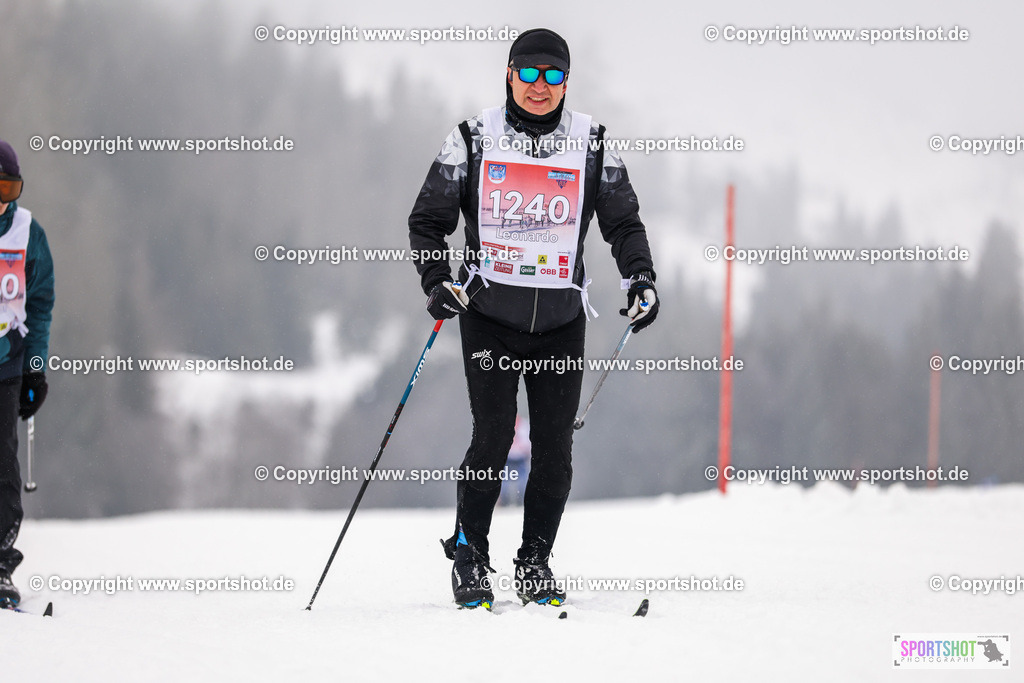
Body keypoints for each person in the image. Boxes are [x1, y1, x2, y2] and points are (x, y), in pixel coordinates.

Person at [408, 28, 658, 609]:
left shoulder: (592, 143)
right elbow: (427, 221)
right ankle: (470, 556)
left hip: (561, 322)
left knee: (553, 449)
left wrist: (639, 277)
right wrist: (436, 280)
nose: (539, 87)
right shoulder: (472, 138)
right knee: (493, 436)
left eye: (552, 77)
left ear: (566, 81)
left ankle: (535, 560)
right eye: (529, 74)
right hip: (489, 314)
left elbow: (623, 223)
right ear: (510, 74)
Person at [0, 139, 55, 609]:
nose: (1, 197)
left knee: (2, 469)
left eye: (9, 187)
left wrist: (36, 370)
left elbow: (40, 304)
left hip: (7, 365)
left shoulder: (25, 232)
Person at [499, 415, 530, 506]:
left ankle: (521, 499)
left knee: (523, 479)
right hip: (508, 457)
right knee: (504, 480)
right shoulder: (504, 426)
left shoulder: (524, 426)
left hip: (520, 457)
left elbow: (528, 442)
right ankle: (505, 500)